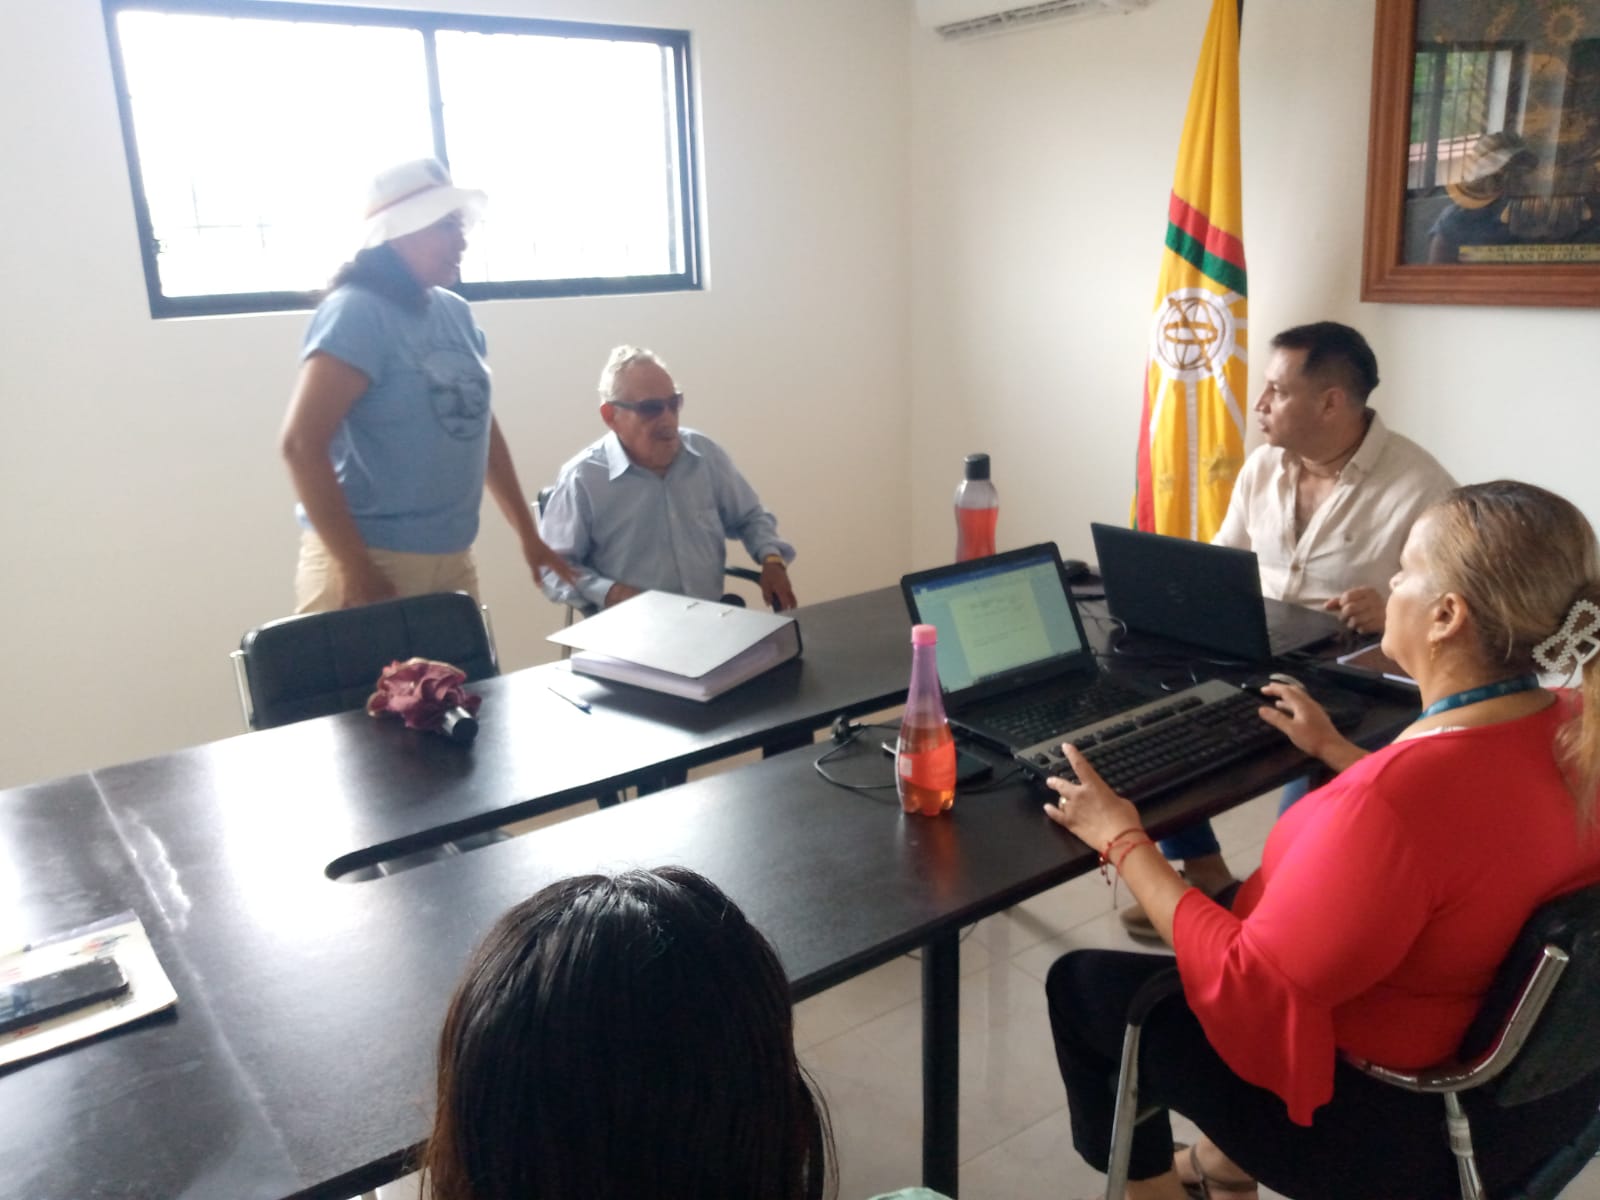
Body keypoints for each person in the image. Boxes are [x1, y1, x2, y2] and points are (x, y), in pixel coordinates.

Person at [1043, 480, 1600, 1199]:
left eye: (1404, 569)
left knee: (1085, 989)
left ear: (1446, 615)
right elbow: (1474, 832)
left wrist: (1122, 838)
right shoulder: (1572, 724)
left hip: (1389, 1126)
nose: (1389, 585)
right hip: (1535, 1096)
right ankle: (1224, 1170)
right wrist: (1337, 751)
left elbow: (1249, 982)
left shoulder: (1395, 801)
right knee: (1234, 904)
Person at [1140, 321, 1457, 925]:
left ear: (1330, 403)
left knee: (1301, 838)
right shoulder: (1262, 467)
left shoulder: (1422, 487)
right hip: (1255, 650)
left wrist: (1392, 608)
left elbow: (1456, 607)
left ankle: (1269, 918)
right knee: (1148, 719)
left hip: (1353, 678)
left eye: (1277, 391)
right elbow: (1222, 561)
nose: (1259, 403)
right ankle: (1206, 873)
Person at [281, 157, 572, 613]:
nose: (462, 240)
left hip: (450, 557)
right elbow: (301, 444)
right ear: (398, 234)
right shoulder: (357, 311)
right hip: (369, 558)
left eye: (460, 225)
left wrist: (528, 534)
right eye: (445, 226)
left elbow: (479, 424)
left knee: (460, 665)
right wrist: (355, 566)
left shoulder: (455, 312)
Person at [537, 345, 797, 613]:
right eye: (650, 408)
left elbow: (750, 517)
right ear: (611, 416)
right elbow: (551, 568)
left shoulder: (704, 455)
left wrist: (772, 559)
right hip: (630, 626)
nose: (668, 418)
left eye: (674, 403)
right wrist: (610, 592)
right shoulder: (584, 478)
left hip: (710, 619)